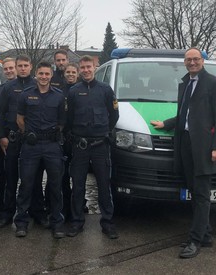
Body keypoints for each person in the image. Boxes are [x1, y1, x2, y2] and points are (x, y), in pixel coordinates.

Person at [150, 47, 216, 259]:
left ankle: (195, 240)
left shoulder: (213, 83)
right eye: (188, 60)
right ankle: (206, 235)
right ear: (185, 63)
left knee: (202, 195)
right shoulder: (185, 83)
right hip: (185, 145)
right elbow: (184, 115)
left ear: (202, 61)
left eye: (196, 59)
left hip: (204, 148)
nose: (192, 63)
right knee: (194, 191)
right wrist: (166, 123)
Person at [66, 55, 119, 239]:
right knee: (78, 185)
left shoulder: (105, 90)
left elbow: (114, 116)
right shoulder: (73, 91)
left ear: (95, 67)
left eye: (89, 67)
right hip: (80, 146)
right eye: (83, 67)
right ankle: (77, 222)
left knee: (104, 185)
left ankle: (107, 223)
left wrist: (104, 131)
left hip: (100, 145)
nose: (86, 70)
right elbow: (69, 118)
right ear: (79, 69)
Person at [14, 61, 67, 238]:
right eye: (41, 74)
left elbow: (61, 122)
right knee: (27, 184)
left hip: (52, 146)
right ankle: (21, 222)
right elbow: (20, 118)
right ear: (36, 74)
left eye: (47, 74)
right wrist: (28, 133)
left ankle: (57, 222)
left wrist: (51, 135)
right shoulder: (26, 95)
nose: (44, 77)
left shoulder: (59, 96)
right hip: (31, 145)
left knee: (55, 185)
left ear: (51, 76)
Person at [0, 55, 47, 228]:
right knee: (10, 177)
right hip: (12, 139)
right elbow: (0, 114)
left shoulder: (38, 86)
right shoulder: (7, 88)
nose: (22, 68)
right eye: (20, 66)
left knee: (35, 178)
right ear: (16, 68)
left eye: (25, 65)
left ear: (31, 66)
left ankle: (37, 212)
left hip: (32, 140)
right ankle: (7, 213)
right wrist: (2, 136)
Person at [0, 58, 17, 215]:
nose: (9, 71)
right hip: (7, 139)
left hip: (28, 139)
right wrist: (1, 137)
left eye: (11, 68)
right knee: (6, 176)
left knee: (31, 177)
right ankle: (5, 209)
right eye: (5, 69)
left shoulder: (32, 87)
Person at [61, 63, 79, 219]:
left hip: (79, 138)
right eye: (68, 72)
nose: (71, 74)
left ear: (77, 74)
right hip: (63, 139)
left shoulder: (82, 89)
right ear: (64, 74)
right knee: (63, 175)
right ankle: (64, 207)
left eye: (74, 72)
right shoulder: (59, 91)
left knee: (78, 176)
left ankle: (79, 206)